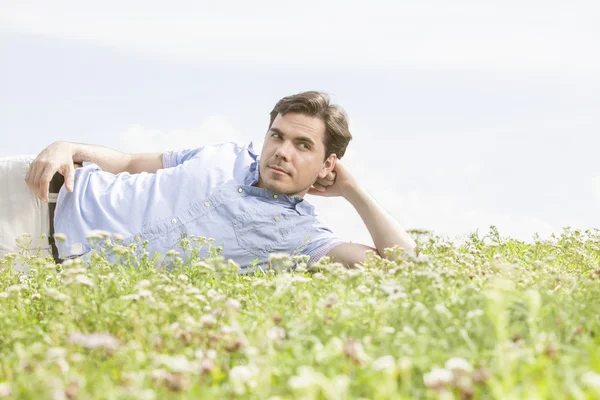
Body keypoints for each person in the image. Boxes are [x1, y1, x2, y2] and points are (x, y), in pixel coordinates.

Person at [1, 91, 416, 272]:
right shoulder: (225, 154)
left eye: (302, 145)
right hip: (38, 194)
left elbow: (404, 266)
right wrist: (66, 146)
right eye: (278, 135)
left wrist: (353, 191)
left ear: (328, 165)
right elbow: (128, 162)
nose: (282, 151)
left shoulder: (302, 238)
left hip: (40, 265)